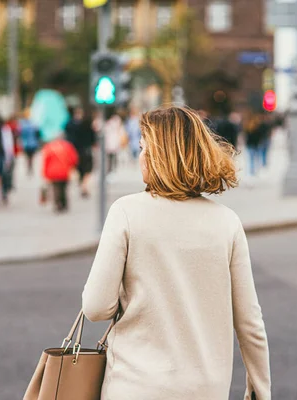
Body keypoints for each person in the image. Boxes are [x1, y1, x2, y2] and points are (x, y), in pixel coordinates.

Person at [81, 106, 270, 400]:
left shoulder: (126, 212)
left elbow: (95, 307)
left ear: (161, 156)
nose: (140, 156)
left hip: (135, 386)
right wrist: (260, 385)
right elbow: (249, 321)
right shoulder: (226, 221)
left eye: (144, 148)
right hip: (206, 389)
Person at [41, 135, 78, 213]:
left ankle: (58, 204)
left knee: (56, 188)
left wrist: (44, 173)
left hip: (53, 171)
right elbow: (74, 158)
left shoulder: (49, 147)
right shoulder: (68, 146)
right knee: (64, 188)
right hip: (65, 170)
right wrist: (72, 167)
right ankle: (64, 203)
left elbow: (45, 161)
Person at [65, 107, 96, 197]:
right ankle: (83, 186)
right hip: (85, 151)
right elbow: (92, 137)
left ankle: (82, 184)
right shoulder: (86, 124)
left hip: (75, 151)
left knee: (80, 169)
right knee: (86, 169)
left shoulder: (70, 124)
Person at [19, 109, 40, 176]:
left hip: (26, 144)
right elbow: (37, 133)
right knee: (31, 157)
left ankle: (28, 166)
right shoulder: (34, 123)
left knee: (27, 157)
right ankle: (30, 166)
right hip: (33, 143)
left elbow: (20, 134)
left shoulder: (22, 124)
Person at [104, 111, 124, 175]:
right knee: (111, 157)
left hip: (113, 142)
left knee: (112, 157)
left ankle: (112, 169)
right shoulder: (110, 124)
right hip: (111, 142)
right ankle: (111, 169)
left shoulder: (110, 123)